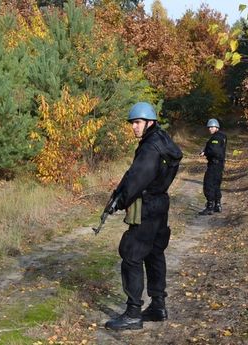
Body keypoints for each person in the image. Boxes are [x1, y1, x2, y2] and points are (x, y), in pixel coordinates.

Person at [104, 101, 182, 331]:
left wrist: (120, 200)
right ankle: (158, 306)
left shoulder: (150, 147)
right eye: (132, 123)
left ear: (150, 122)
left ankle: (133, 313)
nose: (133, 127)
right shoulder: (162, 140)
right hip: (160, 203)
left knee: (131, 253)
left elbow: (138, 178)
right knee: (154, 253)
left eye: (137, 122)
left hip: (148, 205)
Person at [198, 118, 227, 215]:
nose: (210, 129)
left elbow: (215, 151)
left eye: (212, 127)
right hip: (219, 164)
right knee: (216, 184)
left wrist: (205, 152)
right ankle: (217, 205)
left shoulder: (216, 138)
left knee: (208, 184)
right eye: (209, 127)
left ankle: (210, 206)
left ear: (216, 127)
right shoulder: (222, 136)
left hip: (214, 164)